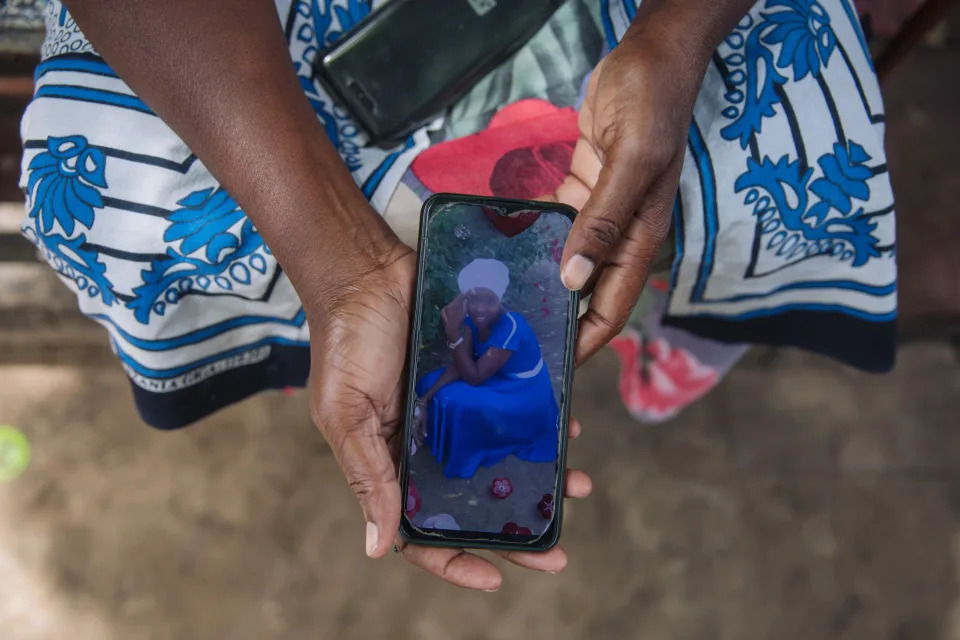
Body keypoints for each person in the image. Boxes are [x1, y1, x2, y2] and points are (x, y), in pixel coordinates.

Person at [19, 0, 896, 591]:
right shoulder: (462, 324)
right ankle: (302, 340)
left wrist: (677, 36)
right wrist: (341, 270)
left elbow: (493, 359)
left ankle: (678, 336)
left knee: (779, 147)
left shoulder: (473, 328)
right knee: (118, 194)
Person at [413, 259, 559, 479]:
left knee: (456, 401)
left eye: (489, 300)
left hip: (522, 390)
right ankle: (425, 430)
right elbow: (461, 363)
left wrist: (453, 334)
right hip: (490, 373)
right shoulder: (474, 320)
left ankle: (465, 448)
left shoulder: (510, 328)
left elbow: (474, 377)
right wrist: (424, 399)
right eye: (473, 299)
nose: (480, 308)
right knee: (427, 384)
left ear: (500, 299)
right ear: (464, 299)